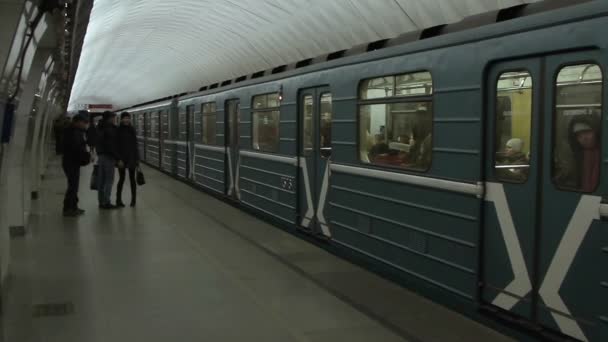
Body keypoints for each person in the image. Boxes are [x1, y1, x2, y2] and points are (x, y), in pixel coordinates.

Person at [62, 113, 91, 217]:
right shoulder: (73, 132)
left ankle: (73, 207)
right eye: (84, 123)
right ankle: (68, 209)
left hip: (71, 162)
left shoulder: (74, 131)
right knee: (73, 186)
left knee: (73, 186)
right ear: (78, 122)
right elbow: (77, 148)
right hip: (71, 162)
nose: (85, 125)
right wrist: (86, 156)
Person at [96, 111, 123, 209]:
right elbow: (111, 146)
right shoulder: (109, 129)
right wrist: (118, 158)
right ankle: (106, 202)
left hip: (101, 156)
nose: (114, 120)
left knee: (101, 180)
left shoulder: (99, 127)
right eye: (113, 118)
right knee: (109, 180)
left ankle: (101, 201)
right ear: (109, 118)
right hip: (109, 157)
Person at [568, 116, 600, 192]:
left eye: (587, 132)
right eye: (579, 135)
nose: (584, 138)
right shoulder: (578, 155)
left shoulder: (601, 154)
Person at [116, 112, 139, 207]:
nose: (126, 120)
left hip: (131, 158)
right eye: (124, 118)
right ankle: (118, 200)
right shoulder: (118, 130)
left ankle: (133, 200)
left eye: (128, 118)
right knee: (121, 179)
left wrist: (137, 159)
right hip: (122, 158)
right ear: (121, 119)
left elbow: (135, 145)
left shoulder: (132, 130)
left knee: (132, 179)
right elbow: (115, 146)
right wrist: (118, 159)